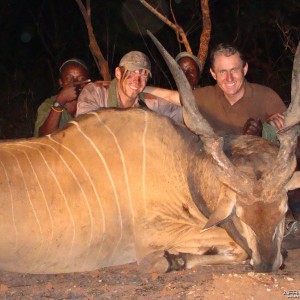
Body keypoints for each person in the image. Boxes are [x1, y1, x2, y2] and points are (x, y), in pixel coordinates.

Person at [145, 43, 286, 136]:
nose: (229, 78)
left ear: (245, 69)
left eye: (234, 70)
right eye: (223, 72)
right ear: (213, 74)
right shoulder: (205, 96)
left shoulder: (267, 97)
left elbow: (292, 134)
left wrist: (269, 131)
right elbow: (170, 97)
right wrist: (139, 87)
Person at [76, 51, 183, 124]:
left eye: (143, 75)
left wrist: (146, 89)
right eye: (132, 72)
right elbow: (84, 129)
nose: (136, 80)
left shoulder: (150, 101)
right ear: (118, 73)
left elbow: (186, 104)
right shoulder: (94, 92)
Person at [34, 58, 90, 137]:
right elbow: (44, 137)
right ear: (61, 82)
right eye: (69, 79)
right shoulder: (48, 105)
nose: (74, 83)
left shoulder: (92, 103)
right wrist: (60, 101)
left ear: (87, 83)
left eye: (81, 79)